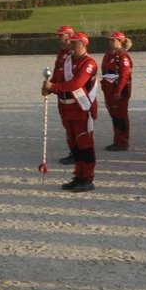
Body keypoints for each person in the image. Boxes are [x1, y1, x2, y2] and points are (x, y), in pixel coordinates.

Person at [45, 32, 98, 191]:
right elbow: (58, 78)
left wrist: (53, 87)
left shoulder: (89, 63)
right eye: (71, 42)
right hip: (66, 108)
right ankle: (79, 175)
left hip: (81, 108)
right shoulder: (67, 60)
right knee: (73, 144)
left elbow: (76, 83)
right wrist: (49, 87)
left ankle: (87, 178)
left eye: (75, 43)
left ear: (83, 44)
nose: (71, 45)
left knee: (85, 145)